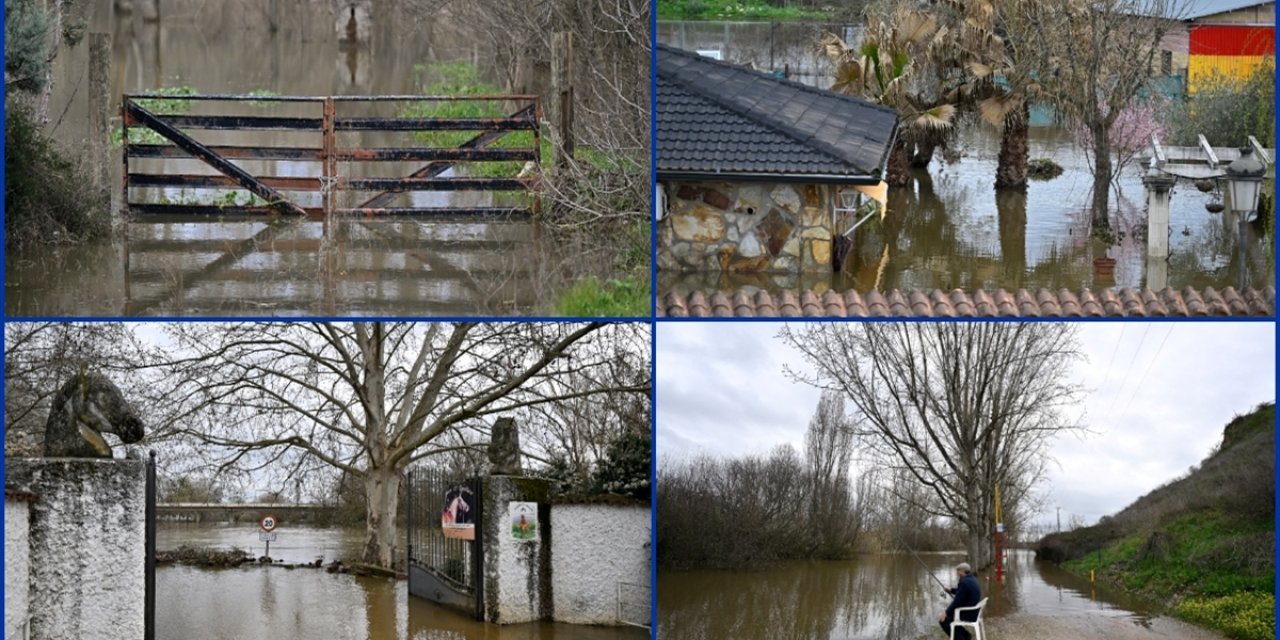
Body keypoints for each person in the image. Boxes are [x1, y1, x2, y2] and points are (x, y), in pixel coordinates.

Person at [938, 562, 982, 640]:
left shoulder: (964, 582)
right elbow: (961, 592)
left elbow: (957, 602)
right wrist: (950, 590)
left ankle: (961, 638)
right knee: (950, 616)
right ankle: (966, 636)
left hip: (970, 614)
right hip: (975, 611)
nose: (957, 572)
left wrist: (946, 612)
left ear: (962, 571)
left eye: (958, 570)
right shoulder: (972, 579)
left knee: (943, 620)